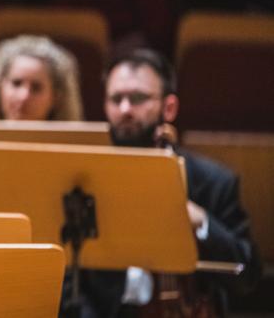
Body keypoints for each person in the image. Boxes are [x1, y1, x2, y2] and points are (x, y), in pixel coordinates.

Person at [63, 49, 262, 317]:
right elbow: (70, 280)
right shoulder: (84, 178)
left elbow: (246, 276)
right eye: (115, 99)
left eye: (137, 98)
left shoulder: (214, 181)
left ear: (169, 107)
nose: (125, 110)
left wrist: (201, 221)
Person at [0, 35, 83, 210]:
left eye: (36, 88)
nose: (24, 97)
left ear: (56, 98)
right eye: (16, 83)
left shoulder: (73, 155)